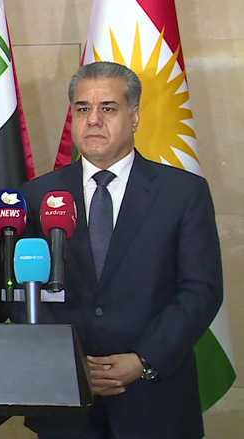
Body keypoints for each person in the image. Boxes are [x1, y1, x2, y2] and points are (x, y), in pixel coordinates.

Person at [17, 61, 223, 438]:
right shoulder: (35, 197)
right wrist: (71, 364)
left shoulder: (183, 193)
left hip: (155, 401)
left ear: (135, 116)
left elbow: (201, 290)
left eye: (108, 108)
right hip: (68, 404)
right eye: (83, 108)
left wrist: (143, 361)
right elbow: (20, 293)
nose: (93, 119)